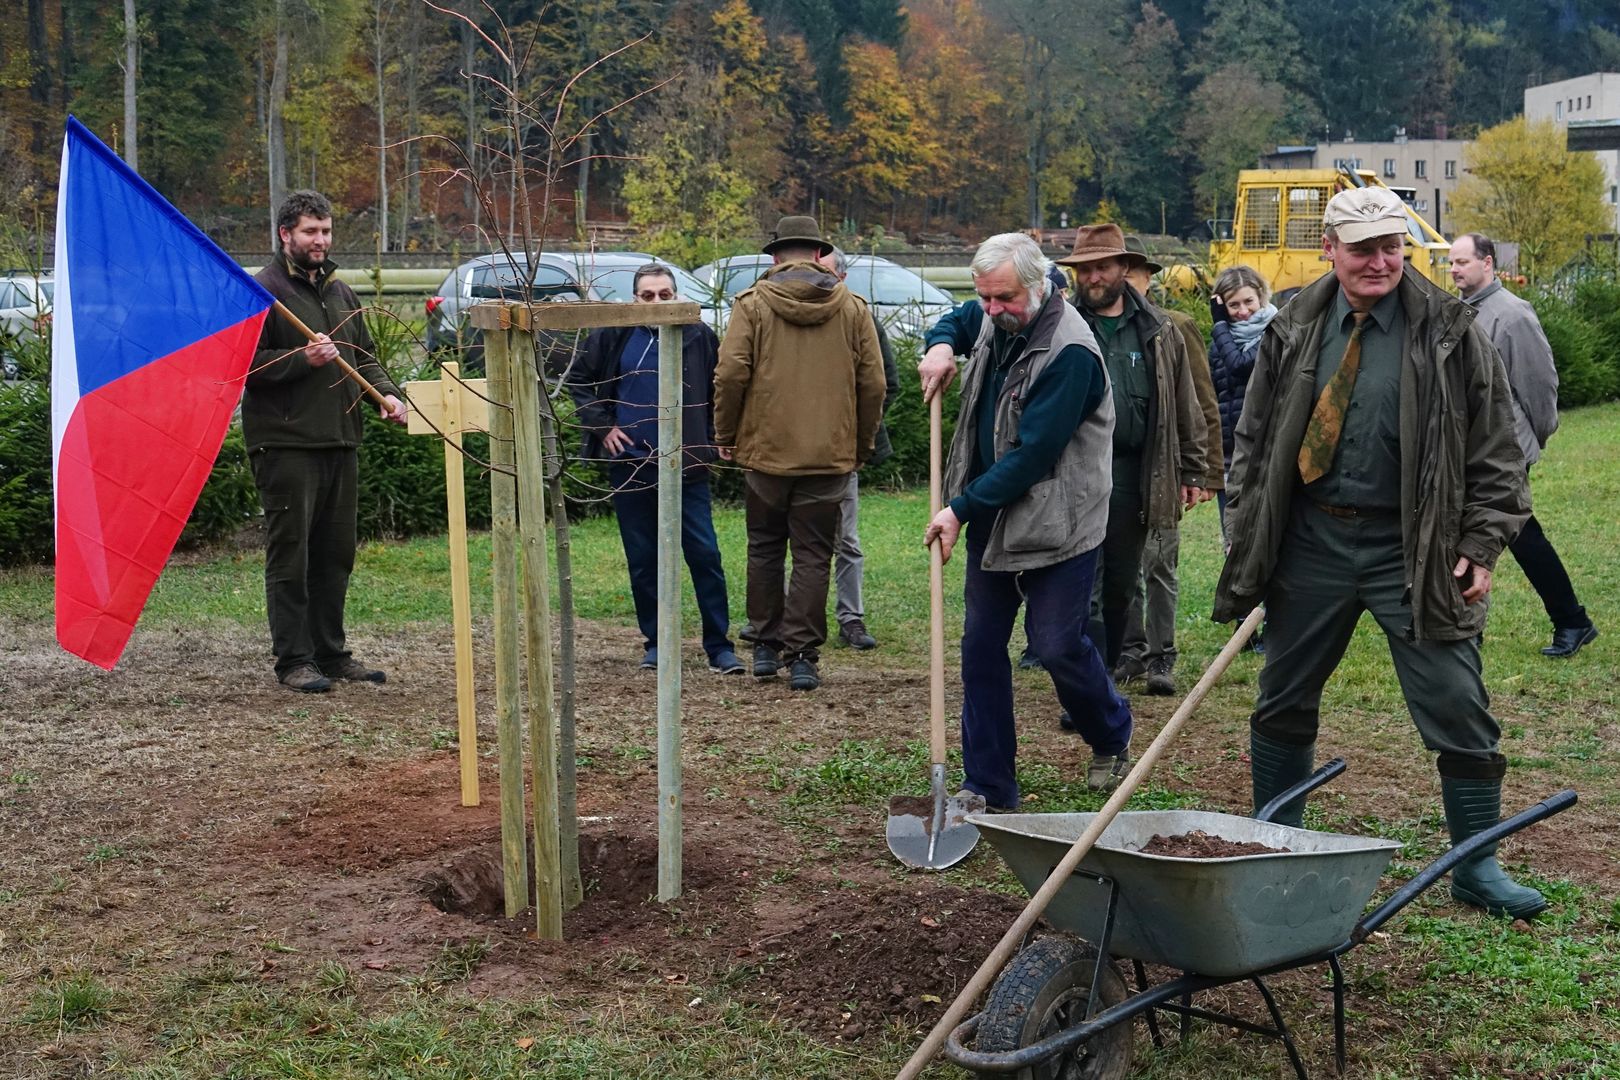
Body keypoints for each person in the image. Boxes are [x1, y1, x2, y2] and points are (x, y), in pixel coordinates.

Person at [1213, 186, 1545, 919]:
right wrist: (1246, 530)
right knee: (1282, 698)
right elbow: (1256, 437)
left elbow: (1498, 450)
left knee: (1457, 702)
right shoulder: (1294, 323)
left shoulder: (1450, 329)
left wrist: (1482, 541)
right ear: (1328, 248)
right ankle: (1276, 845)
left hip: (1415, 547)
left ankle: (1476, 865)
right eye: (1362, 247)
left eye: (1391, 245)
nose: (1379, 260)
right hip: (1311, 540)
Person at [919, 232, 1134, 805]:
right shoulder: (998, 312)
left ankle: (1111, 730)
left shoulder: (1072, 355)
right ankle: (988, 785)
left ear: (1040, 285)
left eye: (1003, 299)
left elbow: (1033, 457)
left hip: (1059, 522)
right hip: (992, 518)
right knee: (981, 647)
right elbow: (961, 319)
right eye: (986, 297)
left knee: (1057, 644)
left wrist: (958, 508)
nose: (991, 310)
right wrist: (941, 345)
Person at [713, 215, 886, 692]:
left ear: (774, 256)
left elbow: (729, 375)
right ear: (816, 254)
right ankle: (803, 656)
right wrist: (861, 443)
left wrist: (725, 432)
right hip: (829, 454)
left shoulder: (751, 304)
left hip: (766, 453)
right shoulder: (852, 307)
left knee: (765, 547)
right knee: (814, 555)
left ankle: (766, 647)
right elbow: (873, 382)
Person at [245, 190, 407, 693]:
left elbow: (365, 356)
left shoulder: (341, 293)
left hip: (342, 441)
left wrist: (388, 394)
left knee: (335, 556)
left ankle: (331, 654)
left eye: (326, 231)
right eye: (310, 232)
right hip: (286, 445)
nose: (321, 240)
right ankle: (294, 660)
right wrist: (302, 361)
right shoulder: (263, 293)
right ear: (285, 235)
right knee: (291, 556)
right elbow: (246, 367)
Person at [570, 263, 742, 675]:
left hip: (687, 464)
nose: (657, 302)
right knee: (644, 558)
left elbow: (722, 387)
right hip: (631, 465)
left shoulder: (697, 334)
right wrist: (602, 425)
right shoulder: (614, 334)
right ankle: (657, 642)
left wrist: (719, 435)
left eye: (665, 294)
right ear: (635, 299)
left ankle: (719, 646)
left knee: (704, 555)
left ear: (676, 295)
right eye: (648, 296)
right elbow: (579, 378)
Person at [1056, 224, 1206, 673]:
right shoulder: (1061, 324)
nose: (1092, 277)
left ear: (1124, 269)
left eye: (1102, 267)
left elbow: (1185, 402)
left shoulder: (1159, 329)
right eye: (1084, 269)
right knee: (1082, 582)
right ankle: (1086, 683)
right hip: (1072, 471)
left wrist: (1195, 470)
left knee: (1121, 584)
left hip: (1133, 472)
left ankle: (1110, 669)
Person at [1451, 233, 1598, 658]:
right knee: (1484, 532)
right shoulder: (1462, 311)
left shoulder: (1512, 315)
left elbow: (1539, 384)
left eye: (1464, 261)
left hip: (1505, 449)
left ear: (1488, 263)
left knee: (1519, 535)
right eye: (1452, 263)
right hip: (1472, 447)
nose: (1456, 269)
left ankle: (1572, 621)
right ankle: (1473, 628)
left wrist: (1532, 440)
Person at [1112, 236, 1224, 696]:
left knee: (1160, 563)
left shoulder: (1174, 326)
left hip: (1164, 469)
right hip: (1116, 474)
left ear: (1148, 278)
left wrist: (1205, 472)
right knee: (1122, 566)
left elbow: (1202, 402)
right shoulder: (1099, 328)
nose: (1125, 282)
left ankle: (1162, 656)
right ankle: (1130, 650)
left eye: (1133, 272)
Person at [819, 245, 901, 652]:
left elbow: (885, 384)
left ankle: (851, 617)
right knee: (784, 537)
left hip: (842, 452)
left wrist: (856, 435)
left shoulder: (860, 317)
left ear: (842, 277)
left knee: (846, 539)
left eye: (825, 271)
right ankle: (780, 619)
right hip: (786, 451)